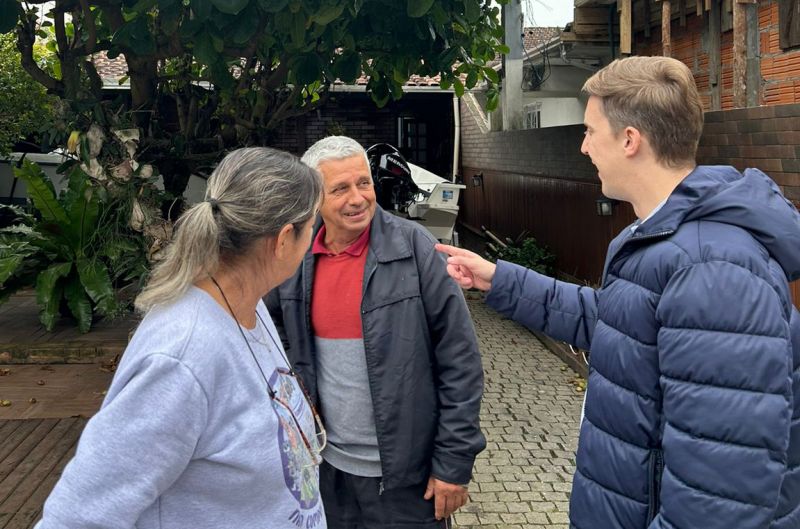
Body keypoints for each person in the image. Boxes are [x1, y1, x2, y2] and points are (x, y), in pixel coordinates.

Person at [437, 56, 800, 529]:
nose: (584, 146)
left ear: (630, 140)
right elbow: (616, 323)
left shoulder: (712, 271)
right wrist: (498, 278)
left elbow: (721, 496)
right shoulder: (666, 237)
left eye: (589, 130)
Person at [35, 147, 327, 529]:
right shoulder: (181, 357)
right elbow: (77, 517)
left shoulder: (248, 307)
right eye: (312, 227)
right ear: (284, 238)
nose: (314, 240)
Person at [266, 136, 485, 528]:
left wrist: (453, 463)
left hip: (407, 482)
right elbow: (273, 333)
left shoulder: (415, 247)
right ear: (314, 198)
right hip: (326, 470)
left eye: (363, 183)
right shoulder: (296, 258)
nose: (358, 198)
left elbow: (460, 360)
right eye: (340, 189)